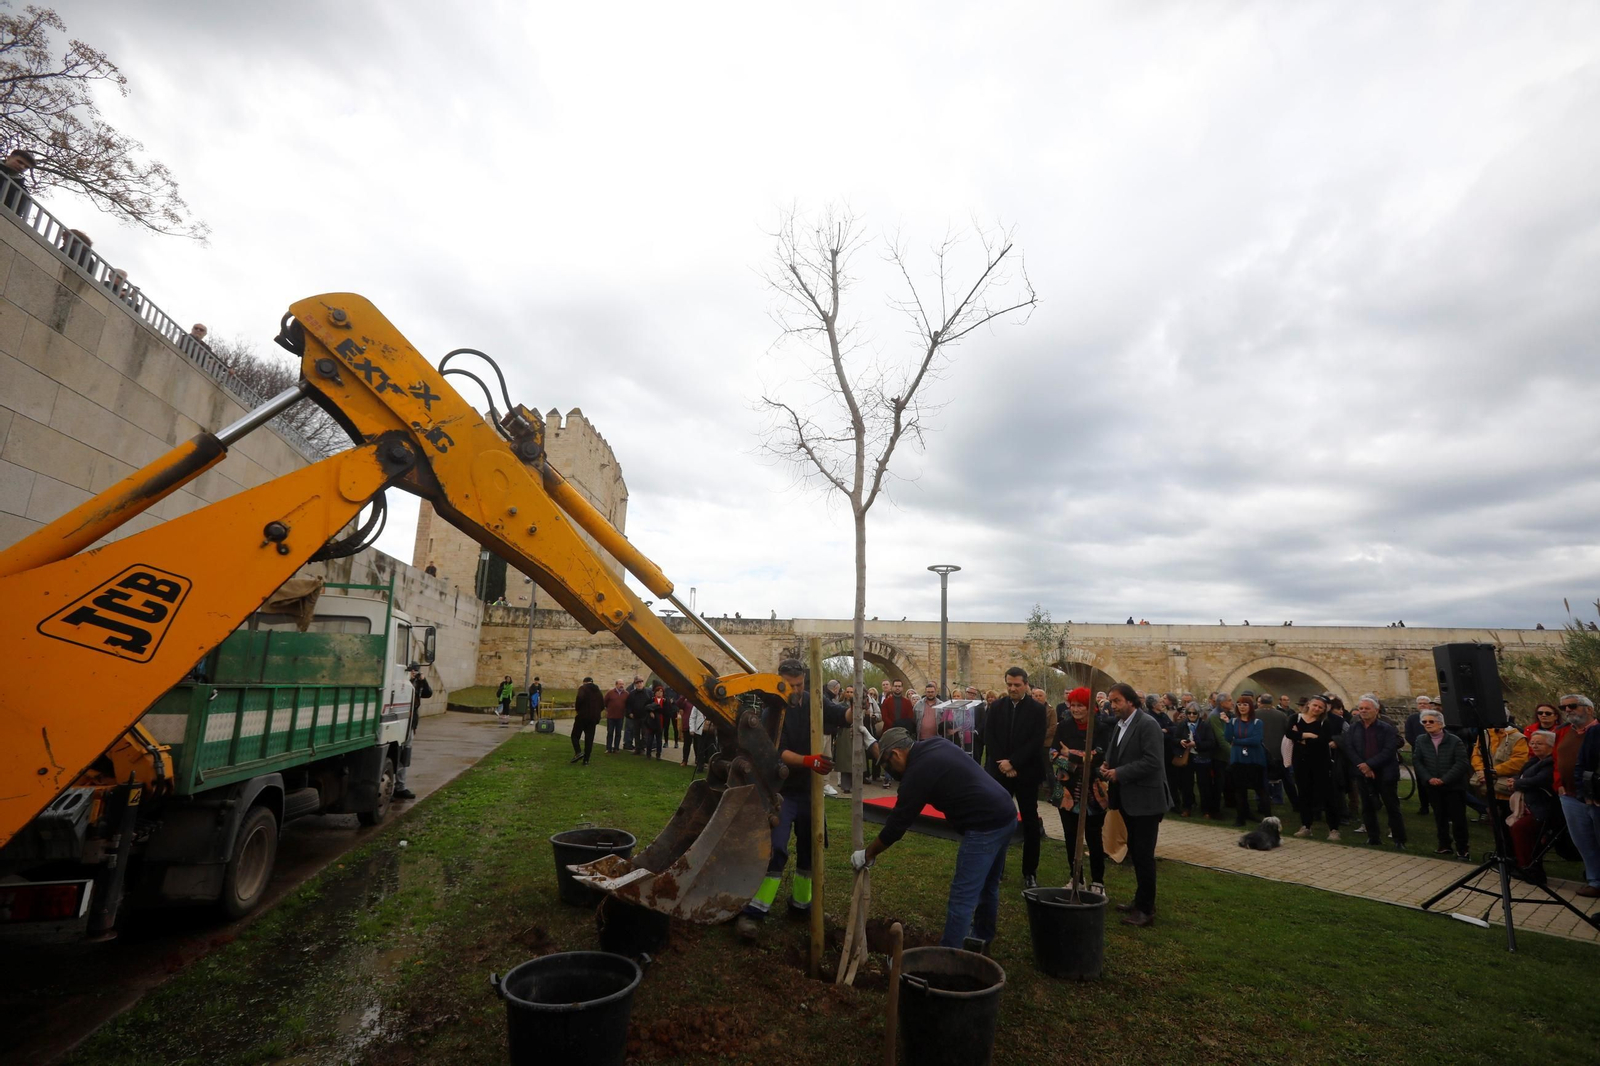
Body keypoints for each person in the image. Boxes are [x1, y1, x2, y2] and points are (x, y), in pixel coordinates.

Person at [852, 726, 1019, 951]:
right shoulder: (932, 745)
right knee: (988, 886)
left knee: (963, 896)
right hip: (1005, 813)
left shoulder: (918, 771)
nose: (889, 772)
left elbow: (897, 824)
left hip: (984, 826)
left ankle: (946, 959)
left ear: (898, 754)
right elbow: (888, 754)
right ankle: (981, 939)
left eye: (887, 765)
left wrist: (868, 853)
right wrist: (874, 744)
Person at [735, 659, 849, 939]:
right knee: (776, 848)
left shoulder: (814, 701)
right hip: (781, 792)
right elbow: (777, 753)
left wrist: (856, 709)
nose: (795, 690)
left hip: (810, 791)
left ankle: (802, 904)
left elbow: (839, 716)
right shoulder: (773, 711)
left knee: (812, 848)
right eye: (789, 685)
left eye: (799, 685)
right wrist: (809, 760)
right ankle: (754, 911)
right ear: (780, 681)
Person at [1101, 683, 1170, 927]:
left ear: (1131, 702)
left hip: (1146, 801)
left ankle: (1145, 909)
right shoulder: (1120, 724)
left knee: (1143, 855)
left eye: (1117, 701)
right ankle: (1140, 900)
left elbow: (1152, 761)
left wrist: (1120, 773)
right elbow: (1117, 753)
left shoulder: (1147, 724)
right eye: (1111, 700)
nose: (1113, 705)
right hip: (1129, 799)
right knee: (1136, 851)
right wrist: (1107, 765)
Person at [983, 667, 1049, 889]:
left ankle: (1030, 871)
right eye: (1009, 684)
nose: (1012, 688)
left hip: (1026, 772)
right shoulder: (997, 707)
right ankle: (996, 868)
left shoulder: (1037, 710)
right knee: (998, 820)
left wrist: (1014, 762)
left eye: (1017, 685)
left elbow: (1036, 741)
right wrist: (1003, 762)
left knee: (1029, 822)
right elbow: (989, 735)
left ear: (1026, 685)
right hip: (1001, 772)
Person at [1052, 687, 1112, 893]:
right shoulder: (1064, 726)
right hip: (1066, 791)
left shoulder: (1101, 728)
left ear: (1090, 707)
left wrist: (1072, 755)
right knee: (1070, 835)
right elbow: (1053, 753)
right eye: (1073, 705)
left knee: (1093, 837)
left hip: (1094, 791)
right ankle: (1076, 877)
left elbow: (1099, 756)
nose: (1076, 709)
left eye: (1080, 705)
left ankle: (1098, 881)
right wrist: (1078, 763)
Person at [1342, 695, 1408, 851]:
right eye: (1361, 708)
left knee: (1392, 807)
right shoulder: (1354, 728)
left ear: (1376, 710)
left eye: (1367, 708)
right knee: (1367, 806)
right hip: (1363, 774)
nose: (1363, 711)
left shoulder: (1386, 728)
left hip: (1385, 773)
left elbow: (1388, 750)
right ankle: (1373, 837)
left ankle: (1399, 839)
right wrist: (1363, 767)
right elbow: (1349, 748)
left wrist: (1369, 765)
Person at [1553, 695, 1600, 897]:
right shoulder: (1563, 731)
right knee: (1583, 841)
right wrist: (1558, 783)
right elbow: (1556, 759)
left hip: (1594, 797)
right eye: (1563, 707)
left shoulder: (1596, 732)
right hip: (1570, 796)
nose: (1567, 710)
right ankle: (1595, 881)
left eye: (1572, 706)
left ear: (1589, 709)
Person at [1411, 708, 1471, 858]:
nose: (1427, 724)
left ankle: (1462, 848)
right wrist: (1429, 778)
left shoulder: (1454, 740)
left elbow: (1462, 763)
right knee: (1440, 816)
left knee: (1458, 818)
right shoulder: (1420, 740)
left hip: (1453, 786)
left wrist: (1444, 779)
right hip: (1432, 785)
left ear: (1440, 723)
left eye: (1431, 721)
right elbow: (1417, 760)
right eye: (1424, 722)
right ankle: (1444, 845)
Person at [1286, 695, 1341, 840]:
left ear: (1324, 710)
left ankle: (1334, 829)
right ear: (1309, 704)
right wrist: (1308, 735)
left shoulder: (1324, 723)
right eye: (1315, 705)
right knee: (1304, 794)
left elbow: (1323, 740)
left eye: (1320, 707)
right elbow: (1288, 733)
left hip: (1320, 763)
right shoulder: (1295, 718)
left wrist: (1301, 738)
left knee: (1327, 795)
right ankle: (1306, 826)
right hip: (1301, 761)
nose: (1316, 709)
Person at [1509, 731, 1559, 882]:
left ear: (1551, 745)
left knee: (1520, 828)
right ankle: (1527, 866)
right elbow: (1523, 775)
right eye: (1532, 743)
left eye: (1539, 743)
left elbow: (1540, 780)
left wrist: (1517, 783)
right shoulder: (1534, 760)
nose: (1534, 746)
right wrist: (1516, 780)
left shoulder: (1551, 762)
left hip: (1544, 808)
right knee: (1520, 830)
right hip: (1530, 805)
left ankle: (1529, 869)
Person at [1225, 694, 1270, 825]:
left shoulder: (1257, 722)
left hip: (1255, 760)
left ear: (1250, 707)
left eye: (1245, 704)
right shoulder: (1234, 721)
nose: (1242, 707)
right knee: (1239, 790)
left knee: (1261, 790)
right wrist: (1227, 724)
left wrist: (1236, 741)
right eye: (1239, 704)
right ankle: (1241, 817)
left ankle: (1268, 818)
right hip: (1238, 760)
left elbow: (1256, 740)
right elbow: (1228, 738)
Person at [392, 663, 432, 800]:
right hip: (398, 721)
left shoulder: (418, 683)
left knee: (405, 755)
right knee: (395, 754)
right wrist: (407, 680)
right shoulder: (400, 682)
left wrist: (423, 680)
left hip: (410, 722)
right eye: (413, 671)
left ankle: (400, 786)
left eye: (417, 671)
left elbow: (428, 694)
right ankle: (394, 785)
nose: (415, 673)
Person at [1404, 697, 1431, 815]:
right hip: (1418, 754)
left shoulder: (1434, 718)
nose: (1422, 705)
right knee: (1421, 781)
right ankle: (1424, 806)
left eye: (1425, 703)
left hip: (1434, 753)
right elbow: (1409, 735)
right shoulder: (1412, 719)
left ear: (1429, 705)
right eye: (1420, 704)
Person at [570, 676, 603, 765]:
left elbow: (579, 699)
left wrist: (578, 709)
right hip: (593, 718)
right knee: (589, 739)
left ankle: (578, 752)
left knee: (575, 736)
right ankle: (586, 760)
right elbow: (602, 705)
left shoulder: (583, 688)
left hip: (582, 716)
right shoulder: (598, 691)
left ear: (584, 682)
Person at [0, 147, 35, 217]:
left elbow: (15, 216)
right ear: (9, 158)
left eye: (26, 167)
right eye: (20, 162)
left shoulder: (22, 191)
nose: (22, 167)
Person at [624, 677, 651, 754]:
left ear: (643, 683)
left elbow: (652, 703)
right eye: (637, 683)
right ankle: (637, 748)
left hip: (645, 716)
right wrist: (630, 713)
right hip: (636, 716)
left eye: (640, 683)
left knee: (644, 733)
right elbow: (628, 704)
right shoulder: (632, 693)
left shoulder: (648, 692)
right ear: (635, 684)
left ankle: (642, 747)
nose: (639, 684)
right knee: (636, 733)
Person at [602, 678, 627, 753]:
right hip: (611, 717)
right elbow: (604, 702)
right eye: (620, 684)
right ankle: (608, 748)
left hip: (620, 717)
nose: (621, 685)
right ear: (616, 685)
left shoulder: (626, 694)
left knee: (618, 733)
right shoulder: (610, 693)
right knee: (610, 732)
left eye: (622, 684)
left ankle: (616, 748)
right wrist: (608, 709)